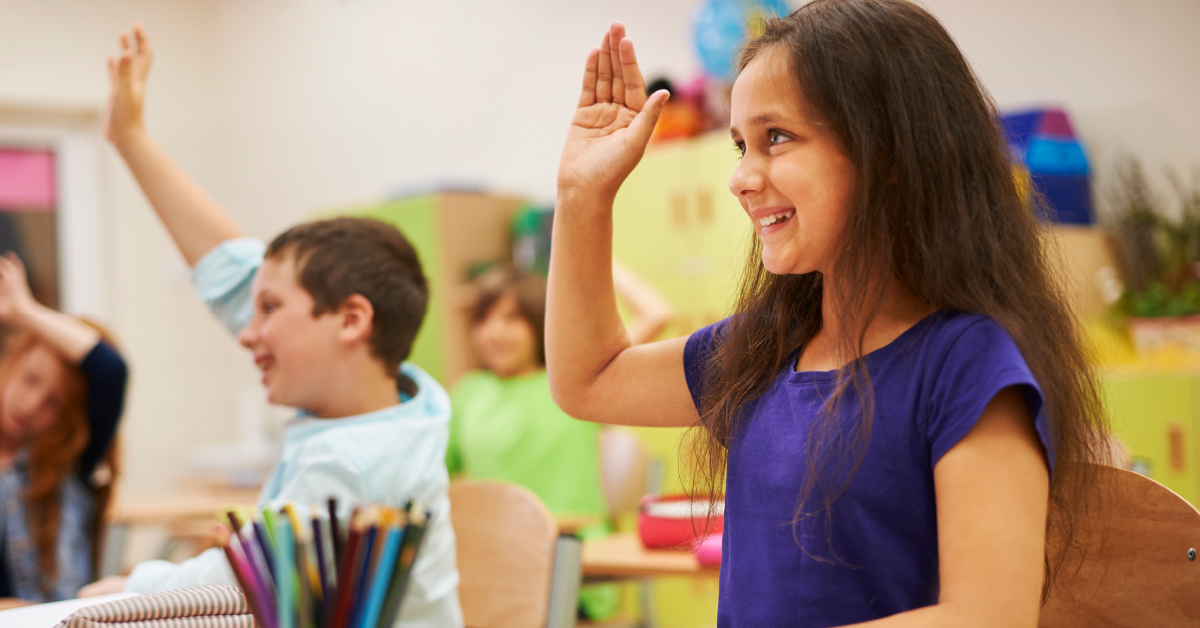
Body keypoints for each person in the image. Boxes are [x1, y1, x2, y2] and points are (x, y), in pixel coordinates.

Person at [546, 5, 1109, 627]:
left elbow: (990, 616)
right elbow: (589, 378)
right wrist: (580, 197)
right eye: (740, 145)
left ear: (890, 152)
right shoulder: (764, 348)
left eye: (776, 138)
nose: (740, 178)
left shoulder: (967, 362)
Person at [80, 25, 461, 627]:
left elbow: (239, 581)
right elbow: (233, 273)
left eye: (269, 310)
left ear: (351, 320)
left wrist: (134, 586)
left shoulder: (355, 464)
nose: (247, 331)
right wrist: (129, 139)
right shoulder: (380, 392)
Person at [446, 262, 670, 620]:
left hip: (570, 569)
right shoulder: (468, 393)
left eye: (513, 318)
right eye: (483, 319)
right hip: (491, 568)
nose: (494, 332)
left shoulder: (574, 384)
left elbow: (657, 313)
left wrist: (586, 257)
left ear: (539, 322)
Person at [0, 253, 127, 603]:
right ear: (12, 360)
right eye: (30, 379)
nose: (30, 404)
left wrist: (24, 311)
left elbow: (110, 371)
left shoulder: (68, 468)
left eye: (54, 403)